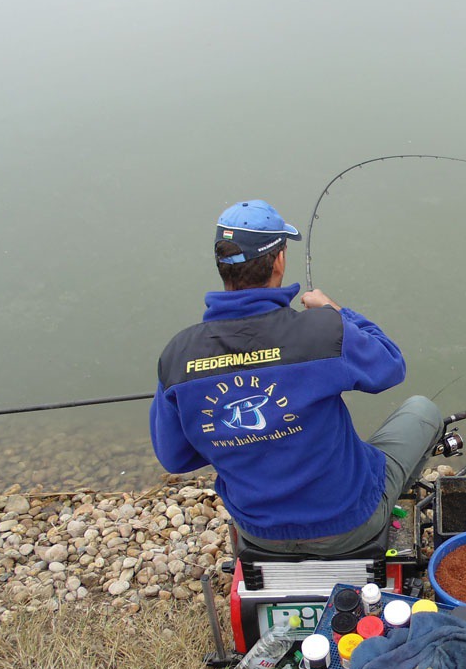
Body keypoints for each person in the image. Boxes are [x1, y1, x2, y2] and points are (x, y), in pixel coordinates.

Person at [150, 199, 443, 557]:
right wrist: (336, 311)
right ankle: (389, 515)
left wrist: (239, 438)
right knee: (422, 410)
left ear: (221, 266)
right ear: (278, 260)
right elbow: (390, 365)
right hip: (349, 523)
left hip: (258, 531)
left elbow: (175, 458)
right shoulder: (321, 330)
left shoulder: (179, 355)